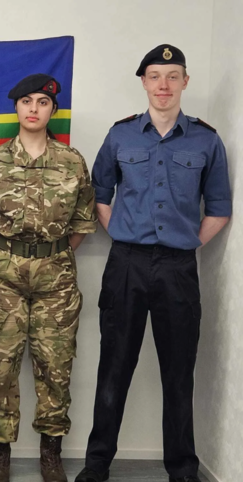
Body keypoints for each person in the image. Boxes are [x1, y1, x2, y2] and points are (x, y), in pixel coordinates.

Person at [75, 45, 231, 482]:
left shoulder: (206, 140)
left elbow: (218, 209)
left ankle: (182, 468)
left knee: (178, 371)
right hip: (126, 263)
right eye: (155, 76)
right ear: (143, 81)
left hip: (179, 269)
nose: (164, 85)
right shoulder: (121, 135)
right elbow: (98, 195)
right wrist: (124, 232)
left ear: (185, 81)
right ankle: (97, 464)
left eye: (173, 75)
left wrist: (185, 244)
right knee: (113, 368)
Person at [0, 74, 97, 482]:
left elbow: (82, 223)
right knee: (0, 366)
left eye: (42, 102)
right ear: (17, 108)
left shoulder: (72, 162)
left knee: (55, 365)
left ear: (52, 109)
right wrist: (5, 253)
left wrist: (48, 254)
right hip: (4, 275)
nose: (34, 108)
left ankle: (50, 453)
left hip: (56, 275)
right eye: (26, 101)